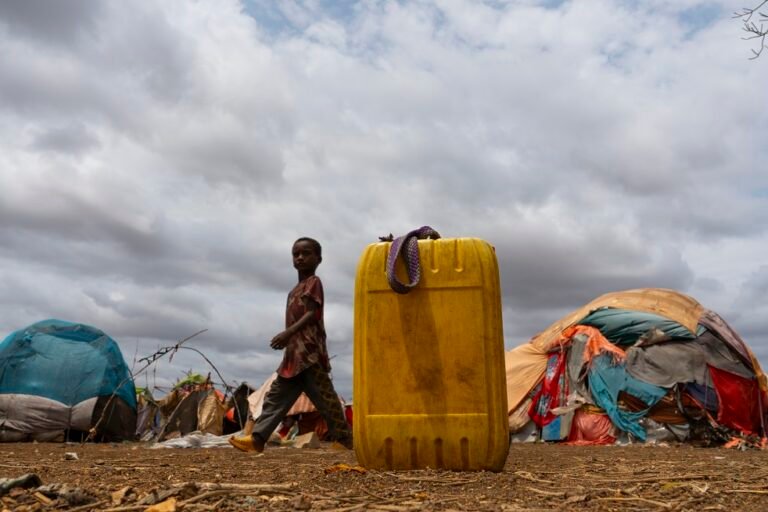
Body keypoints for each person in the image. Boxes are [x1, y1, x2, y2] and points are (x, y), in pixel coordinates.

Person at [229, 237, 352, 453]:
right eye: (296, 254)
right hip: (293, 357)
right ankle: (257, 439)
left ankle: (345, 440)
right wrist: (288, 341)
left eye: (306, 253)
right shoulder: (294, 291)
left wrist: (287, 333)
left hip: (310, 355)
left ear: (318, 258)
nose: (300, 257)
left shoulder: (314, 282)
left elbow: (312, 314)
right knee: (275, 397)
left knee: (326, 400)